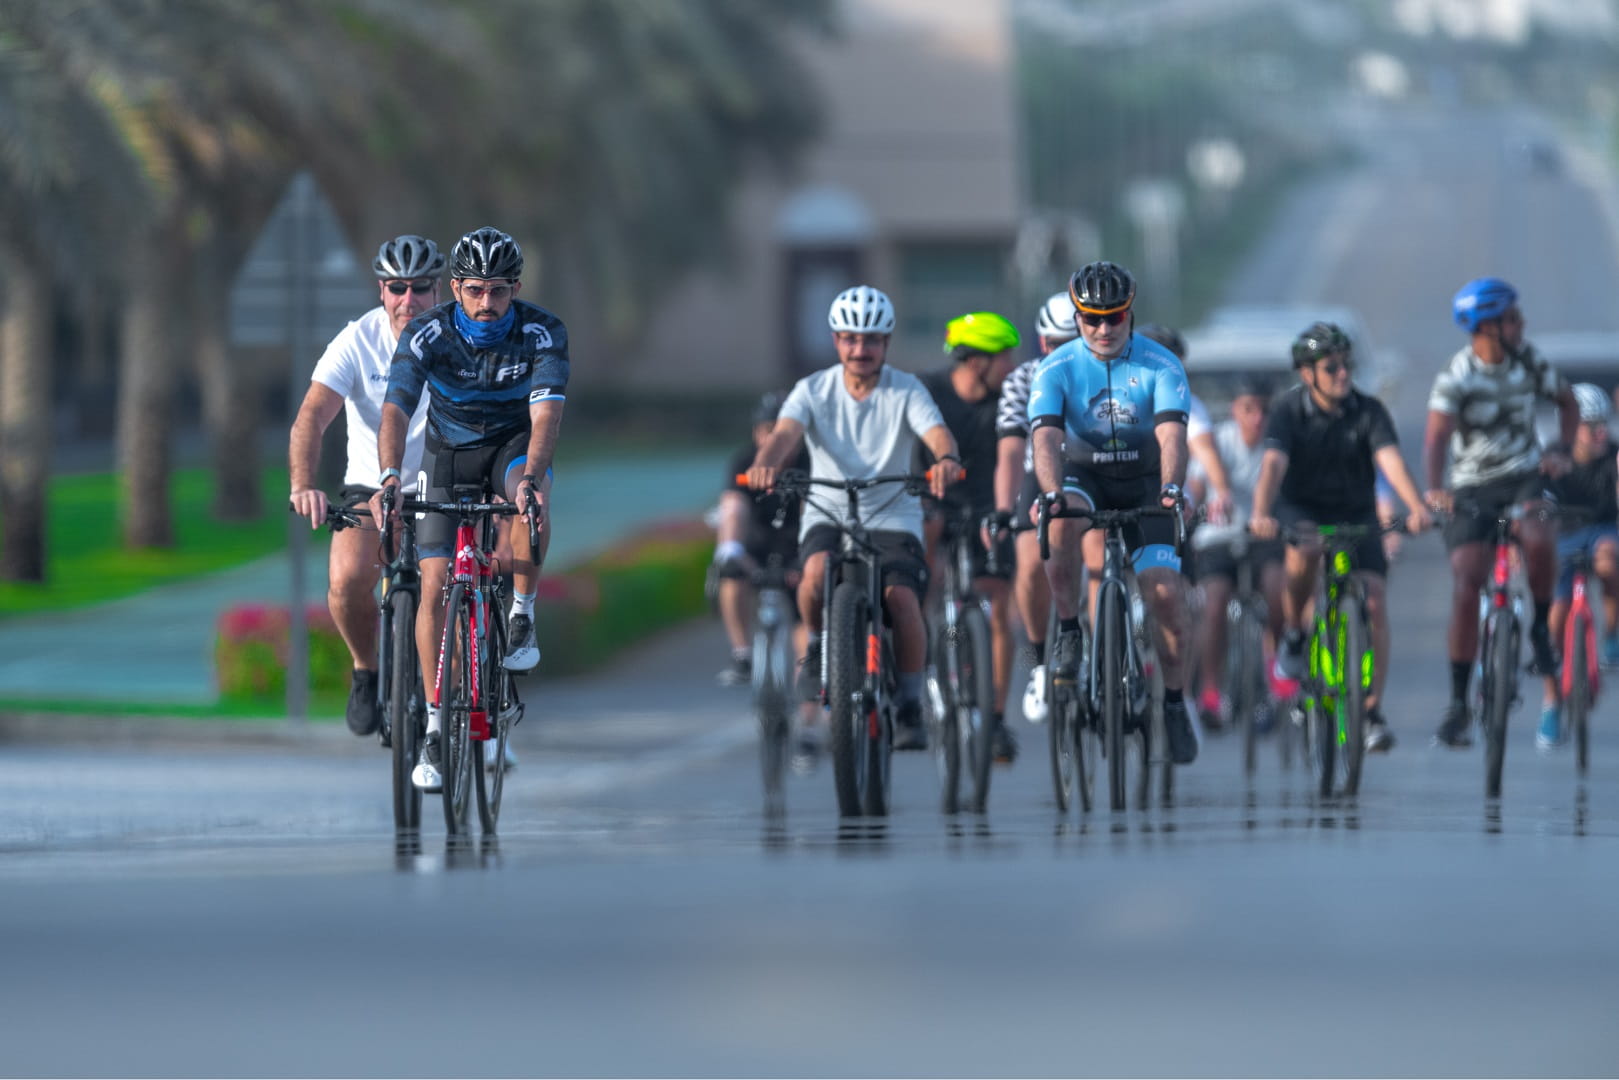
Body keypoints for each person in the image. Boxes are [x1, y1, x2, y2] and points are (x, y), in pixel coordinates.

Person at [371, 226, 568, 792]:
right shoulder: (427, 333)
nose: (487, 304)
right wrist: (388, 477)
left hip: (512, 445)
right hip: (449, 448)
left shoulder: (541, 332)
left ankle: (522, 614)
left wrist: (530, 478)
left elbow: (546, 416)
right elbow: (396, 409)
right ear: (456, 288)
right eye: (476, 290)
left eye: (500, 291)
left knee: (530, 501)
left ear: (516, 289)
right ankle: (435, 726)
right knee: (433, 583)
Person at [744, 285, 964, 752]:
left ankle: (908, 700)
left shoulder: (906, 389)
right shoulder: (813, 390)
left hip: (893, 514)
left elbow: (937, 434)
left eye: (871, 339)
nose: (860, 349)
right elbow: (784, 434)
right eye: (850, 339)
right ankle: (818, 651)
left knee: (901, 598)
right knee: (815, 572)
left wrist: (944, 461)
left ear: (886, 343)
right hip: (828, 509)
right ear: (836, 341)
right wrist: (768, 463)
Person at [1027, 261, 1199, 765]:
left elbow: (1171, 436)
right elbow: (1046, 438)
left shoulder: (1162, 364)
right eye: (1092, 318)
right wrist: (1053, 490)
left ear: (1130, 313)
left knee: (1166, 596)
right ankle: (1070, 630)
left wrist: (1171, 488)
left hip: (1146, 480)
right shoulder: (1055, 368)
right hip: (1084, 476)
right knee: (1059, 521)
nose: (1104, 329)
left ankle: (1172, 703)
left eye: (1115, 317)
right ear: (1077, 315)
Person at [1250, 322, 1431, 752]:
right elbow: (1273, 466)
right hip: (1302, 509)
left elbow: (1390, 461)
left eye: (1347, 365)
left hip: (1356, 512)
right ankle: (1294, 633)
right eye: (1332, 368)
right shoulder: (1287, 412)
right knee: (1306, 550)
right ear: (1307, 373)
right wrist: (1260, 512)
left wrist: (1417, 507)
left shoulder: (1368, 410)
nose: (1343, 375)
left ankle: (1370, 711)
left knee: (1374, 599)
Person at [288, 234, 439, 738]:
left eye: (420, 288)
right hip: (368, 486)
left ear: (437, 291)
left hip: (440, 487)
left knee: (464, 584)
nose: (408, 300)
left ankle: (464, 703)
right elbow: (312, 414)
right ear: (381, 290)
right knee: (348, 577)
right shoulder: (356, 341)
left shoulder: (459, 340)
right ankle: (365, 670)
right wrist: (304, 484)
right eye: (398, 287)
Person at [1423, 277, 1576, 748]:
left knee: (1539, 532)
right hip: (1472, 484)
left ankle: (1540, 631)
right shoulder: (1457, 376)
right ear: (1487, 327)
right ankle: (1457, 701)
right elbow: (1436, 437)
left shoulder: (1529, 361)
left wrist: (1562, 451)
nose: (1521, 324)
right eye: (1512, 318)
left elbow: (1567, 402)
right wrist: (1435, 490)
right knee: (1468, 582)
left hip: (1524, 473)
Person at [920, 311, 1021, 761]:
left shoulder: (1009, 400)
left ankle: (996, 719)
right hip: (931, 503)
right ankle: (918, 652)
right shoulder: (929, 394)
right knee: (917, 569)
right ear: (978, 361)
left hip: (985, 508)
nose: (1012, 365)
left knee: (999, 601)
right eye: (1005, 357)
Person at [993, 292, 1079, 726]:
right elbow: (1010, 452)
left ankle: (1104, 648)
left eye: (1071, 341)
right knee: (1030, 565)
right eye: (1054, 343)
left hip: (1091, 470)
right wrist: (1005, 510)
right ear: (1041, 344)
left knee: (1100, 552)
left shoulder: (1103, 370)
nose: (1061, 352)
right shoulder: (1022, 379)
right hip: (1037, 473)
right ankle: (1041, 661)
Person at [1185, 375, 1286, 729]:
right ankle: (1211, 691)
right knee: (1213, 603)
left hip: (1264, 537)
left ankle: (1278, 668)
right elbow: (1197, 483)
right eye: (1249, 409)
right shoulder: (1218, 441)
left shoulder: (1278, 444)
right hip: (1219, 537)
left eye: (1263, 409)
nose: (1256, 417)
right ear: (1235, 411)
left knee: (1277, 587)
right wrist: (1190, 505)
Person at [1536, 383, 1619, 749]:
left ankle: (1612, 634)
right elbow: (1534, 502)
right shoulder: (1554, 458)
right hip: (1565, 537)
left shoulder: (1613, 456)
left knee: (1608, 556)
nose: (1599, 433)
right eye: (1590, 426)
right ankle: (1552, 700)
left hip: (1602, 531)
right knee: (1555, 615)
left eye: (1603, 424)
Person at [713, 391, 808, 687]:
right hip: (758, 544)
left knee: (806, 612)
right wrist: (731, 549)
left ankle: (807, 712)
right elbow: (734, 507)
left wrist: (806, 560)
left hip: (799, 545)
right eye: (769, 431)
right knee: (731, 577)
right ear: (757, 433)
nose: (774, 441)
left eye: (783, 432)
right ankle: (742, 654)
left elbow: (815, 514)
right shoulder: (743, 460)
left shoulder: (810, 462)